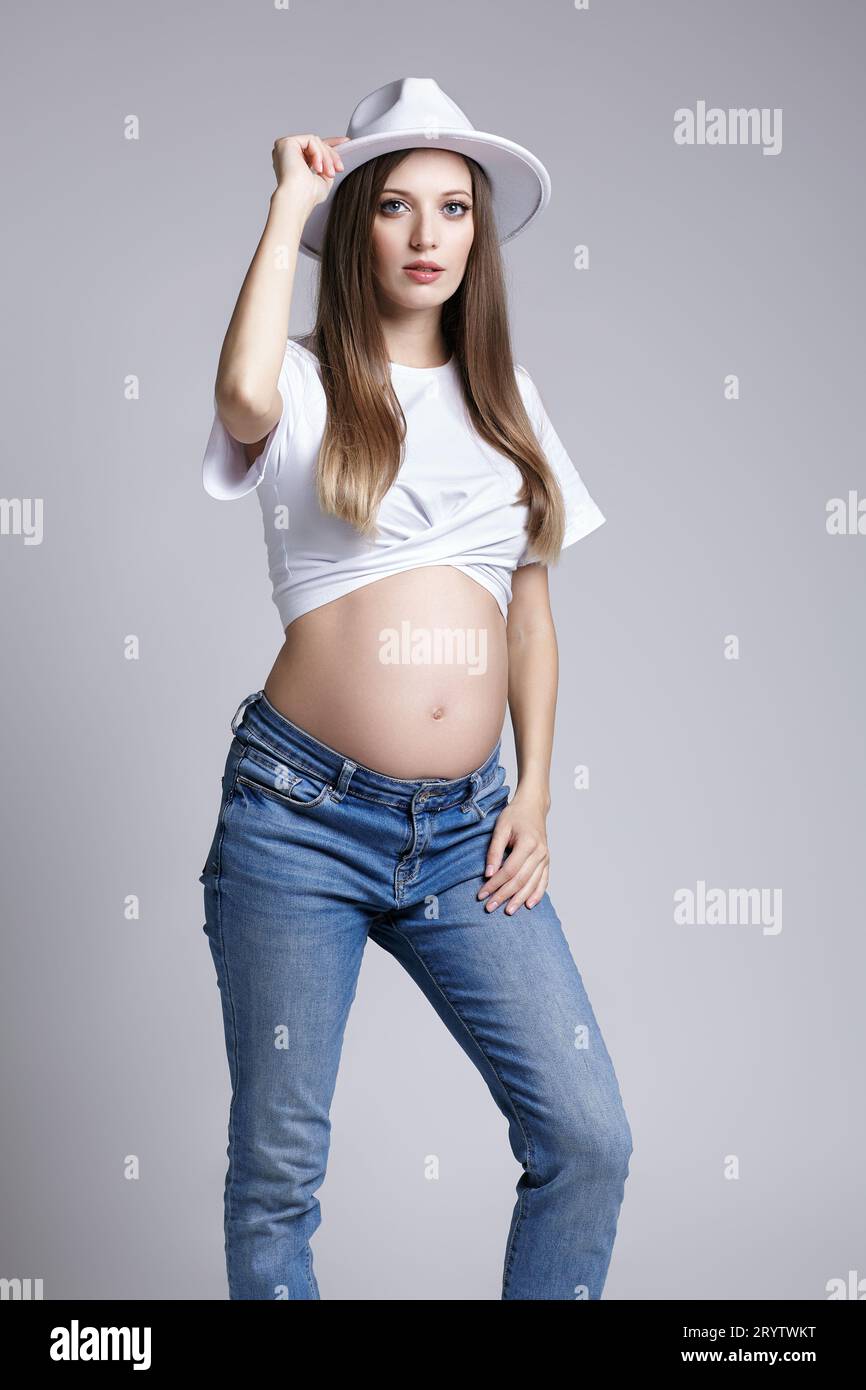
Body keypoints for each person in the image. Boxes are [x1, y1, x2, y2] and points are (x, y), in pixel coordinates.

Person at [199, 77, 632, 1301]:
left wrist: (535, 792)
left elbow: (531, 620)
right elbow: (236, 398)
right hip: (298, 822)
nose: (428, 234)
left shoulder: (508, 403)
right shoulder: (300, 384)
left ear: (478, 238)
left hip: (459, 839)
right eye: (394, 207)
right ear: (358, 231)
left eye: (453, 209)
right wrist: (291, 204)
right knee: (277, 1174)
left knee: (587, 1136)